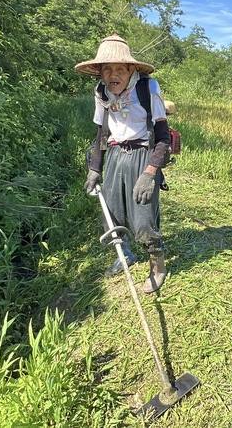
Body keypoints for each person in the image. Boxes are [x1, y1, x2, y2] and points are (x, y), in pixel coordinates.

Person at [75, 34, 171, 294]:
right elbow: (101, 134)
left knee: (143, 217)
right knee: (112, 211)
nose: (112, 75)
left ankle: (158, 266)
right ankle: (125, 254)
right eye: (107, 69)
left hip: (143, 154)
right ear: (100, 73)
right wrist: (95, 168)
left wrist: (150, 173)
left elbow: (163, 138)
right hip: (117, 154)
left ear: (131, 70)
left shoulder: (147, 88)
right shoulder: (101, 92)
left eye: (119, 69)